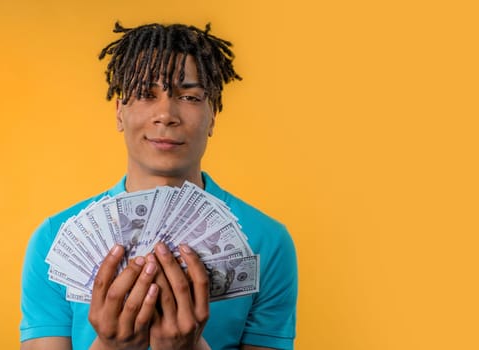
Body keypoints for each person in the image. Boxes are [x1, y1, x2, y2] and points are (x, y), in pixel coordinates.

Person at [20, 22, 298, 350]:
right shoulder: (54, 242)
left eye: (190, 96)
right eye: (146, 94)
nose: (166, 114)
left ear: (213, 117)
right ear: (119, 111)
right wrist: (110, 347)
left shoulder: (267, 242)